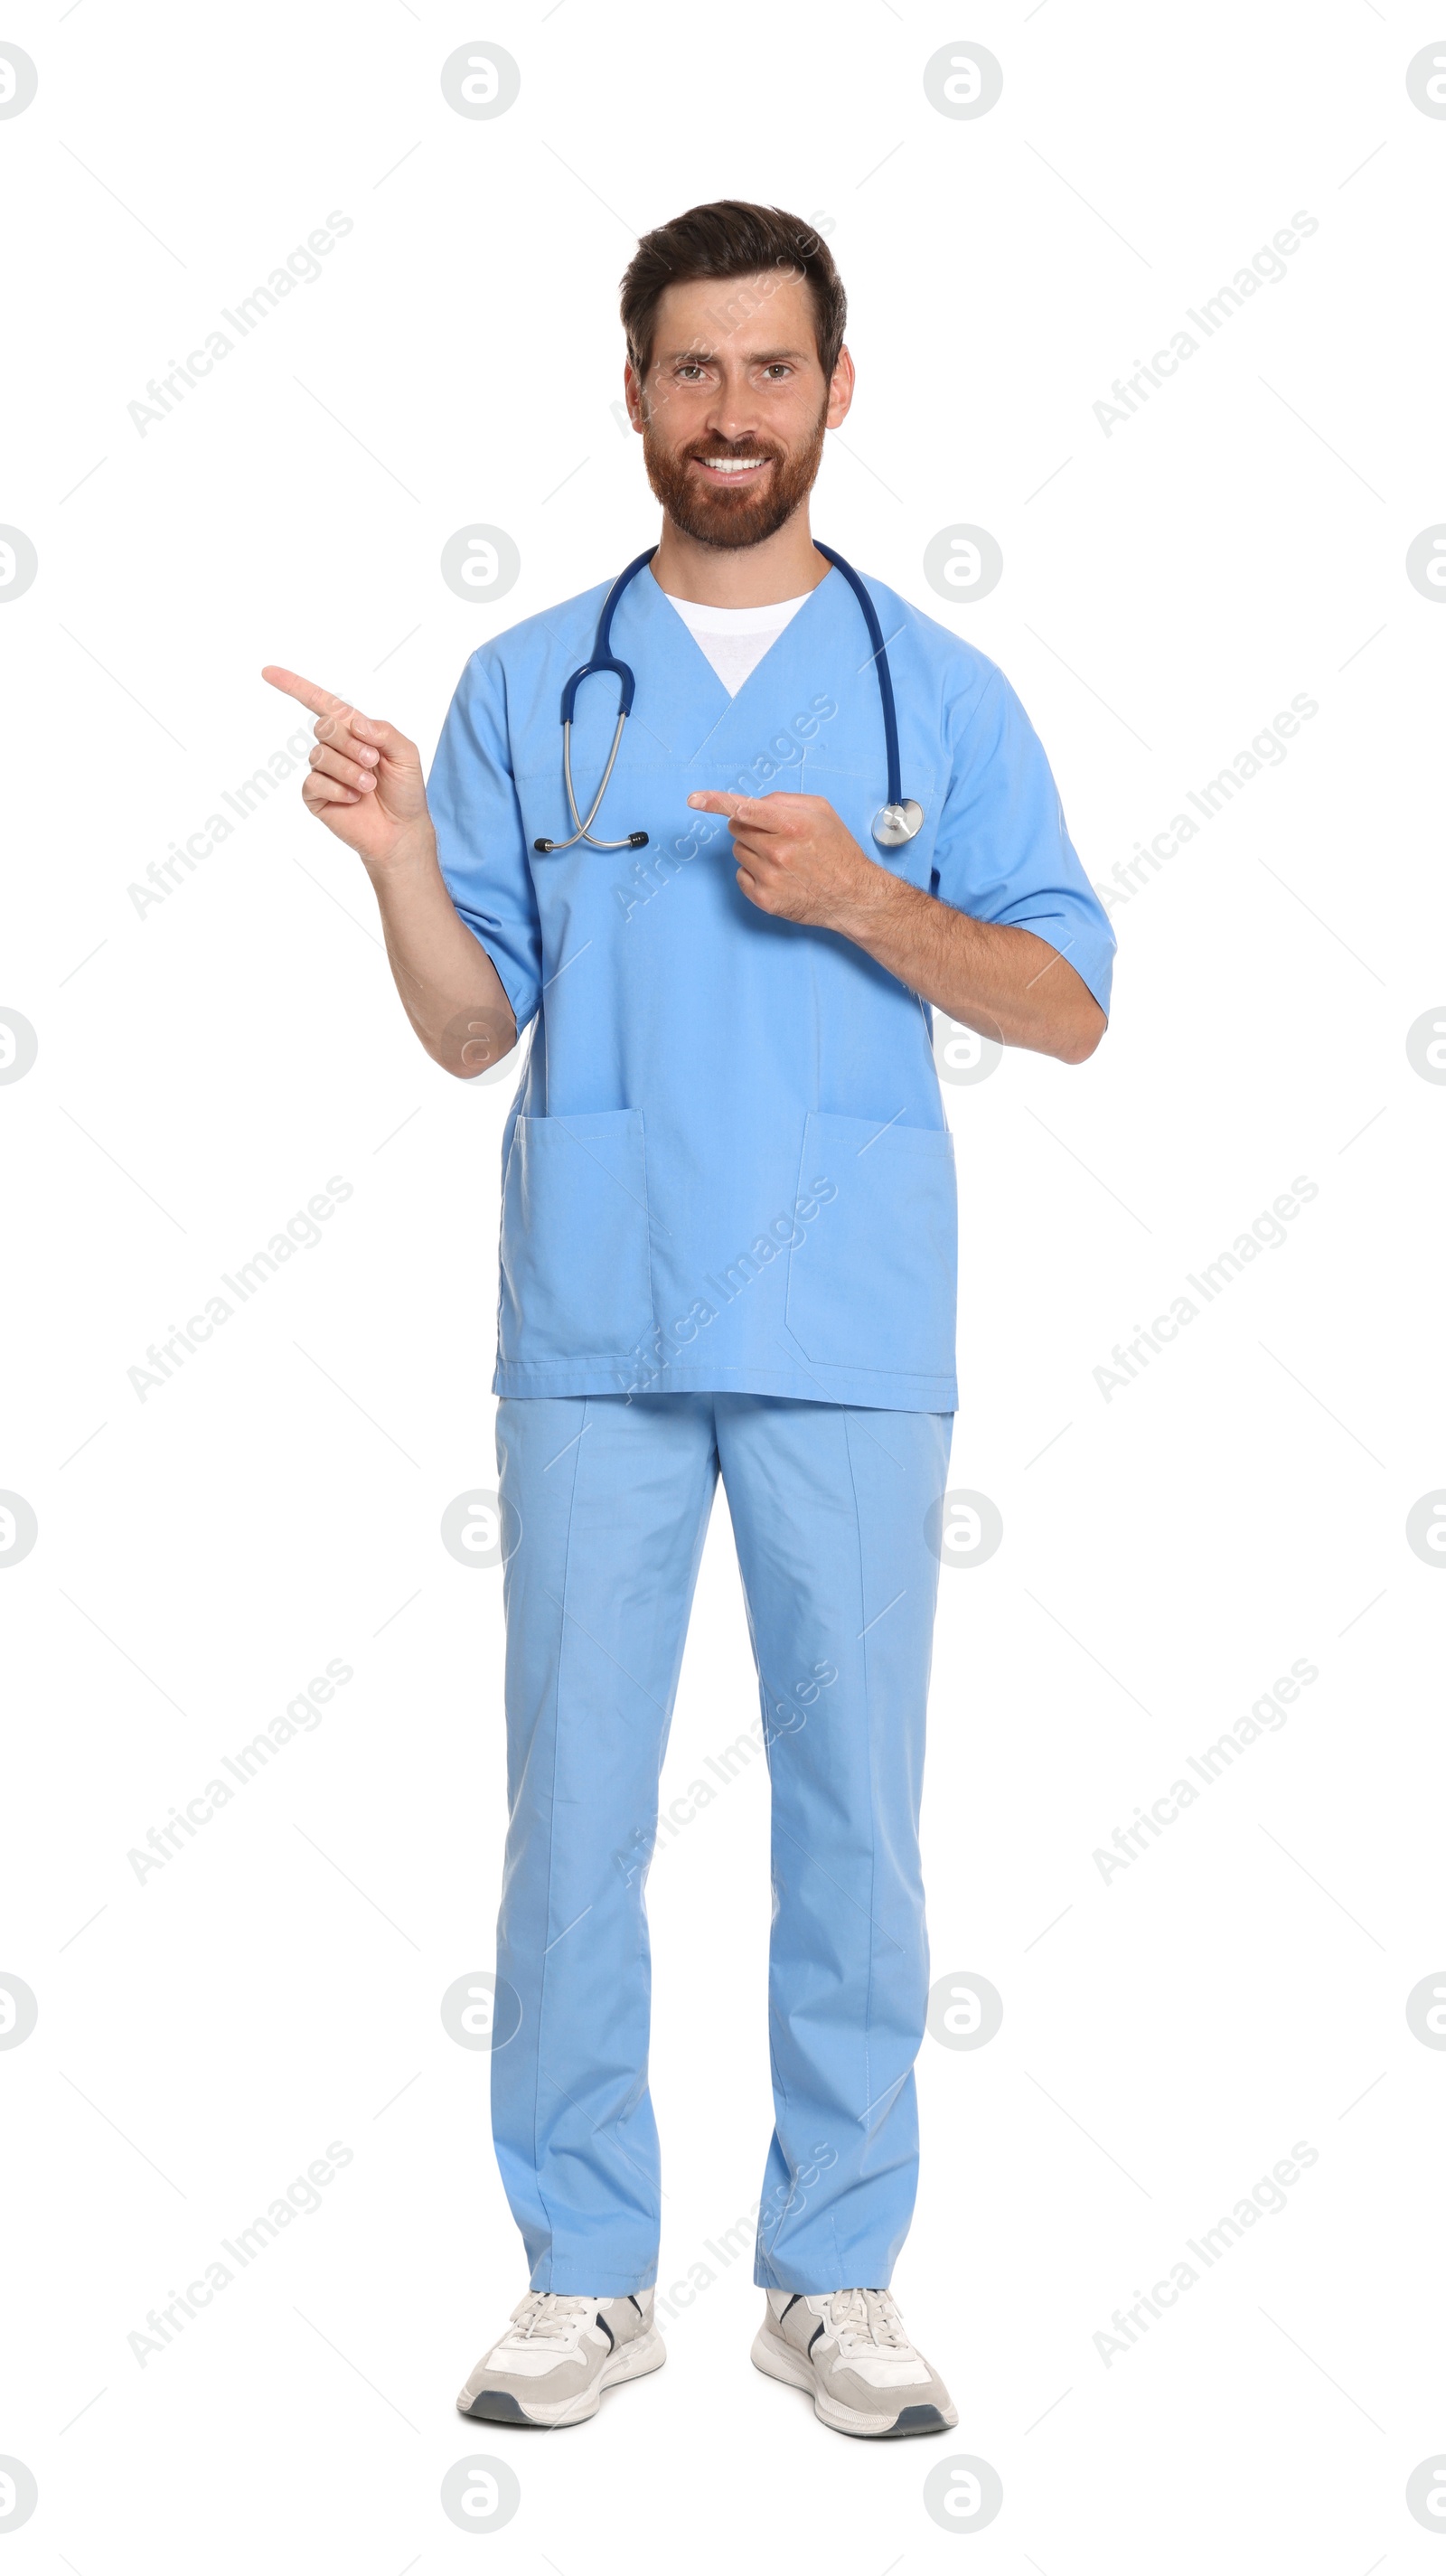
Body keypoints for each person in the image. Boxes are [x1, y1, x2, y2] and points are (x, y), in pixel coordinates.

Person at [265, 199, 1113, 2440]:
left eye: (767, 370)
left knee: (853, 1811)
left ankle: (831, 2276)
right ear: (630, 394)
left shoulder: (941, 697)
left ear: (839, 390)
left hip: (847, 1324)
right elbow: (471, 1036)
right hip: (599, 1327)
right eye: (688, 371)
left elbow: (1069, 1000)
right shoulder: (532, 686)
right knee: (573, 1812)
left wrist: (864, 894)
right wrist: (388, 858)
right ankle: (584, 2274)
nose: (727, 413)